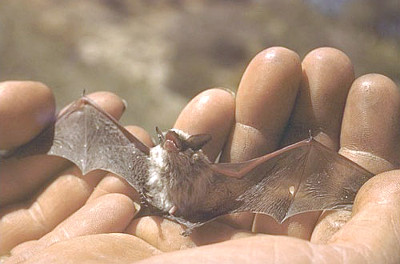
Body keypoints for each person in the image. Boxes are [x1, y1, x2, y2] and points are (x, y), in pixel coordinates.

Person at [0, 47, 399, 263]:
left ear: (195, 152)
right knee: (90, 111)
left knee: (306, 153)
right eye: (168, 141)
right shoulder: (149, 159)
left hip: (203, 207)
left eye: (183, 145)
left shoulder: (214, 174)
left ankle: (352, 188)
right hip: (157, 202)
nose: (172, 146)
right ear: (162, 145)